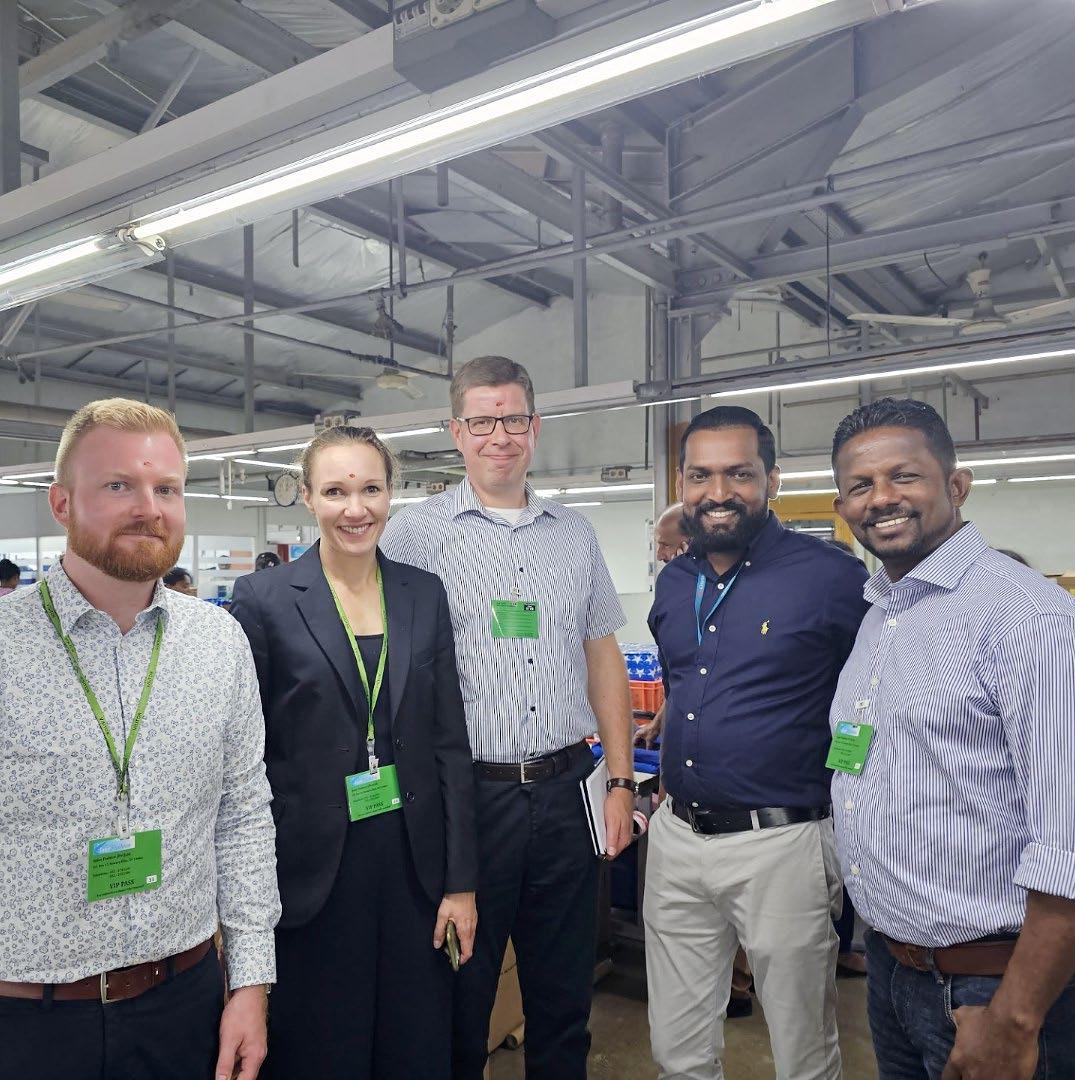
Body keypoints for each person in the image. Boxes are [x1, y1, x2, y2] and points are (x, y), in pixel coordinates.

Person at [0, 398, 280, 1080]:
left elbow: (243, 816)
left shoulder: (219, 642)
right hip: (27, 1017)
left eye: (167, 489)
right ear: (62, 503)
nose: (148, 509)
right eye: (119, 485)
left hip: (183, 1004)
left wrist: (251, 983)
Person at [381, 355, 634, 1080]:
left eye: (514, 419)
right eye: (483, 421)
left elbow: (602, 657)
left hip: (565, 790)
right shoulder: (413, 534)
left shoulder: (574, 535)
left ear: (535, 426)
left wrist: (621, 782)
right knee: (459, 998)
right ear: (457, 431)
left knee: (564, 1000)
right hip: (468, 801)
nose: (500, 436)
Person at [829, 397, 1075, 1080]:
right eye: (860, 485)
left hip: (991, 985)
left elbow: (1068, 846)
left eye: (903, 476)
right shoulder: (881, 613)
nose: (881, 498)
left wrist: (1015, 1018)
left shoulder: (1026, 618)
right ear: (843, 507)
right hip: (894, 971)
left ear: (956, 485)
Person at [230, 425, 477, 1080]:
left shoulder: (422, 593)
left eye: (370, 489)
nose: (355, 508)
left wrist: (461, 882)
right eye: (336, 491)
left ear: (391, 493)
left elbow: (449, 743)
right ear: (308, 496)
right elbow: (244, 760)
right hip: (311, 874)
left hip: (414, 870)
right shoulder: (265, 600)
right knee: (322, 1051)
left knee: (413, 1048)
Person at [645, 404, 869, 1080]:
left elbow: (876, 697)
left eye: (738, 474)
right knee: (677, 1051)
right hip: (677, 838)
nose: (718, 492)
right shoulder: (674, 582)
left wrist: (848, 789)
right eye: (700, 476)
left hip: (782, 843)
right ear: (681, 484)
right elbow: (685, 678)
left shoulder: (830, 577)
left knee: (803, 1051)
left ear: (772, 479)